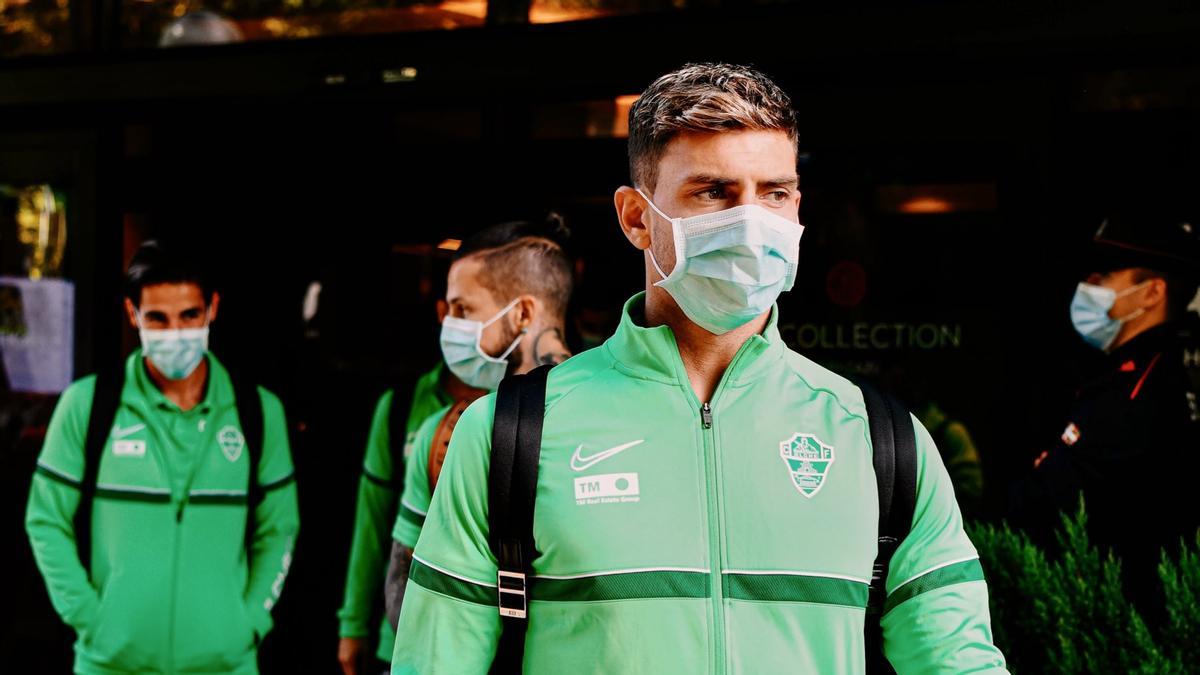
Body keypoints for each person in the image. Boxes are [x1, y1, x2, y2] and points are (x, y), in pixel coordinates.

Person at [392, 63, 1006, 673]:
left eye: (775, 192)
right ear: (636, 218)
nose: (751, 221)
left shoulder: (881, 440)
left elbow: (960, 663)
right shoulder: (507, 435)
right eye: (713, 192)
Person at [25, 239, 299, 674]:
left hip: (226, 664)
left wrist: (249, 621)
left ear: (213, 308)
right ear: (132, 315)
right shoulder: (86, 405)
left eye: (189, 315)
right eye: (158, 318)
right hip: (109, 663)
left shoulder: (259, 412)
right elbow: (45, 519)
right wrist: (91, 619)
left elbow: (279, 528)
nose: (175, 333)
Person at [383, 215, 574, 629]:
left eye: (462, 309)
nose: (449, 325)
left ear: (522, 312)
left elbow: (404, 598)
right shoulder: (445, 434)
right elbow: (402, 587)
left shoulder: (618, 421)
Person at [1010, 210, 1200, 575]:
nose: (1091, 284)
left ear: (1152, 293)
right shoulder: (1127, 372)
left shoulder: (1143, 388)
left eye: (1108, 275)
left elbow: (1049, 501)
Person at [337, 359, 484, 674]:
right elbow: (372, 522)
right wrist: (354, 622)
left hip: (480, 636)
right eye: (456, 308)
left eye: (469, 308)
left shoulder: (524, 407)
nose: (465, 322)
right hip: (404, 634)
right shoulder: (405, 409)